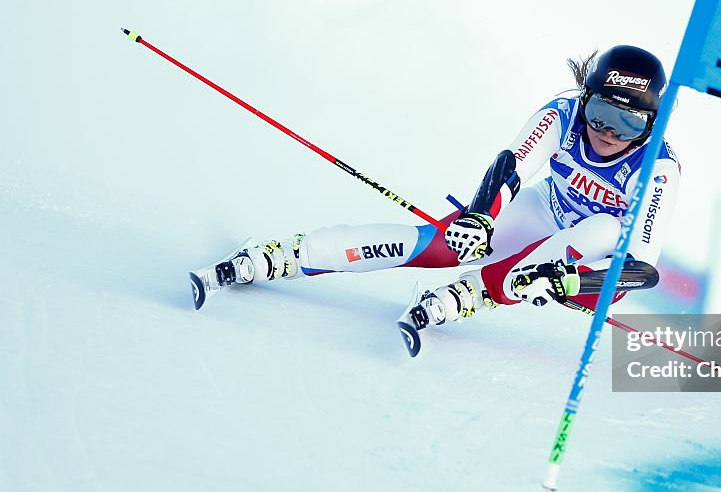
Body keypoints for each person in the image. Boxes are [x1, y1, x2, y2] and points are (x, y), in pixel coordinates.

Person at [191, 45, 681, 355]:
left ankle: (471, 294)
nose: (607, 134)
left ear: (651, 125)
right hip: (546, 211)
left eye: (629, 125)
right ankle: (286, 256)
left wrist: (571, 278)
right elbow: (513, 166)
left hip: (598, 271)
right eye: (599, 114)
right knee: (445, 246)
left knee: (602, 230)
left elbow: (642, 267)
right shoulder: (564, 113)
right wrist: (478, 218)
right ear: (585, 98)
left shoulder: (657, 166)